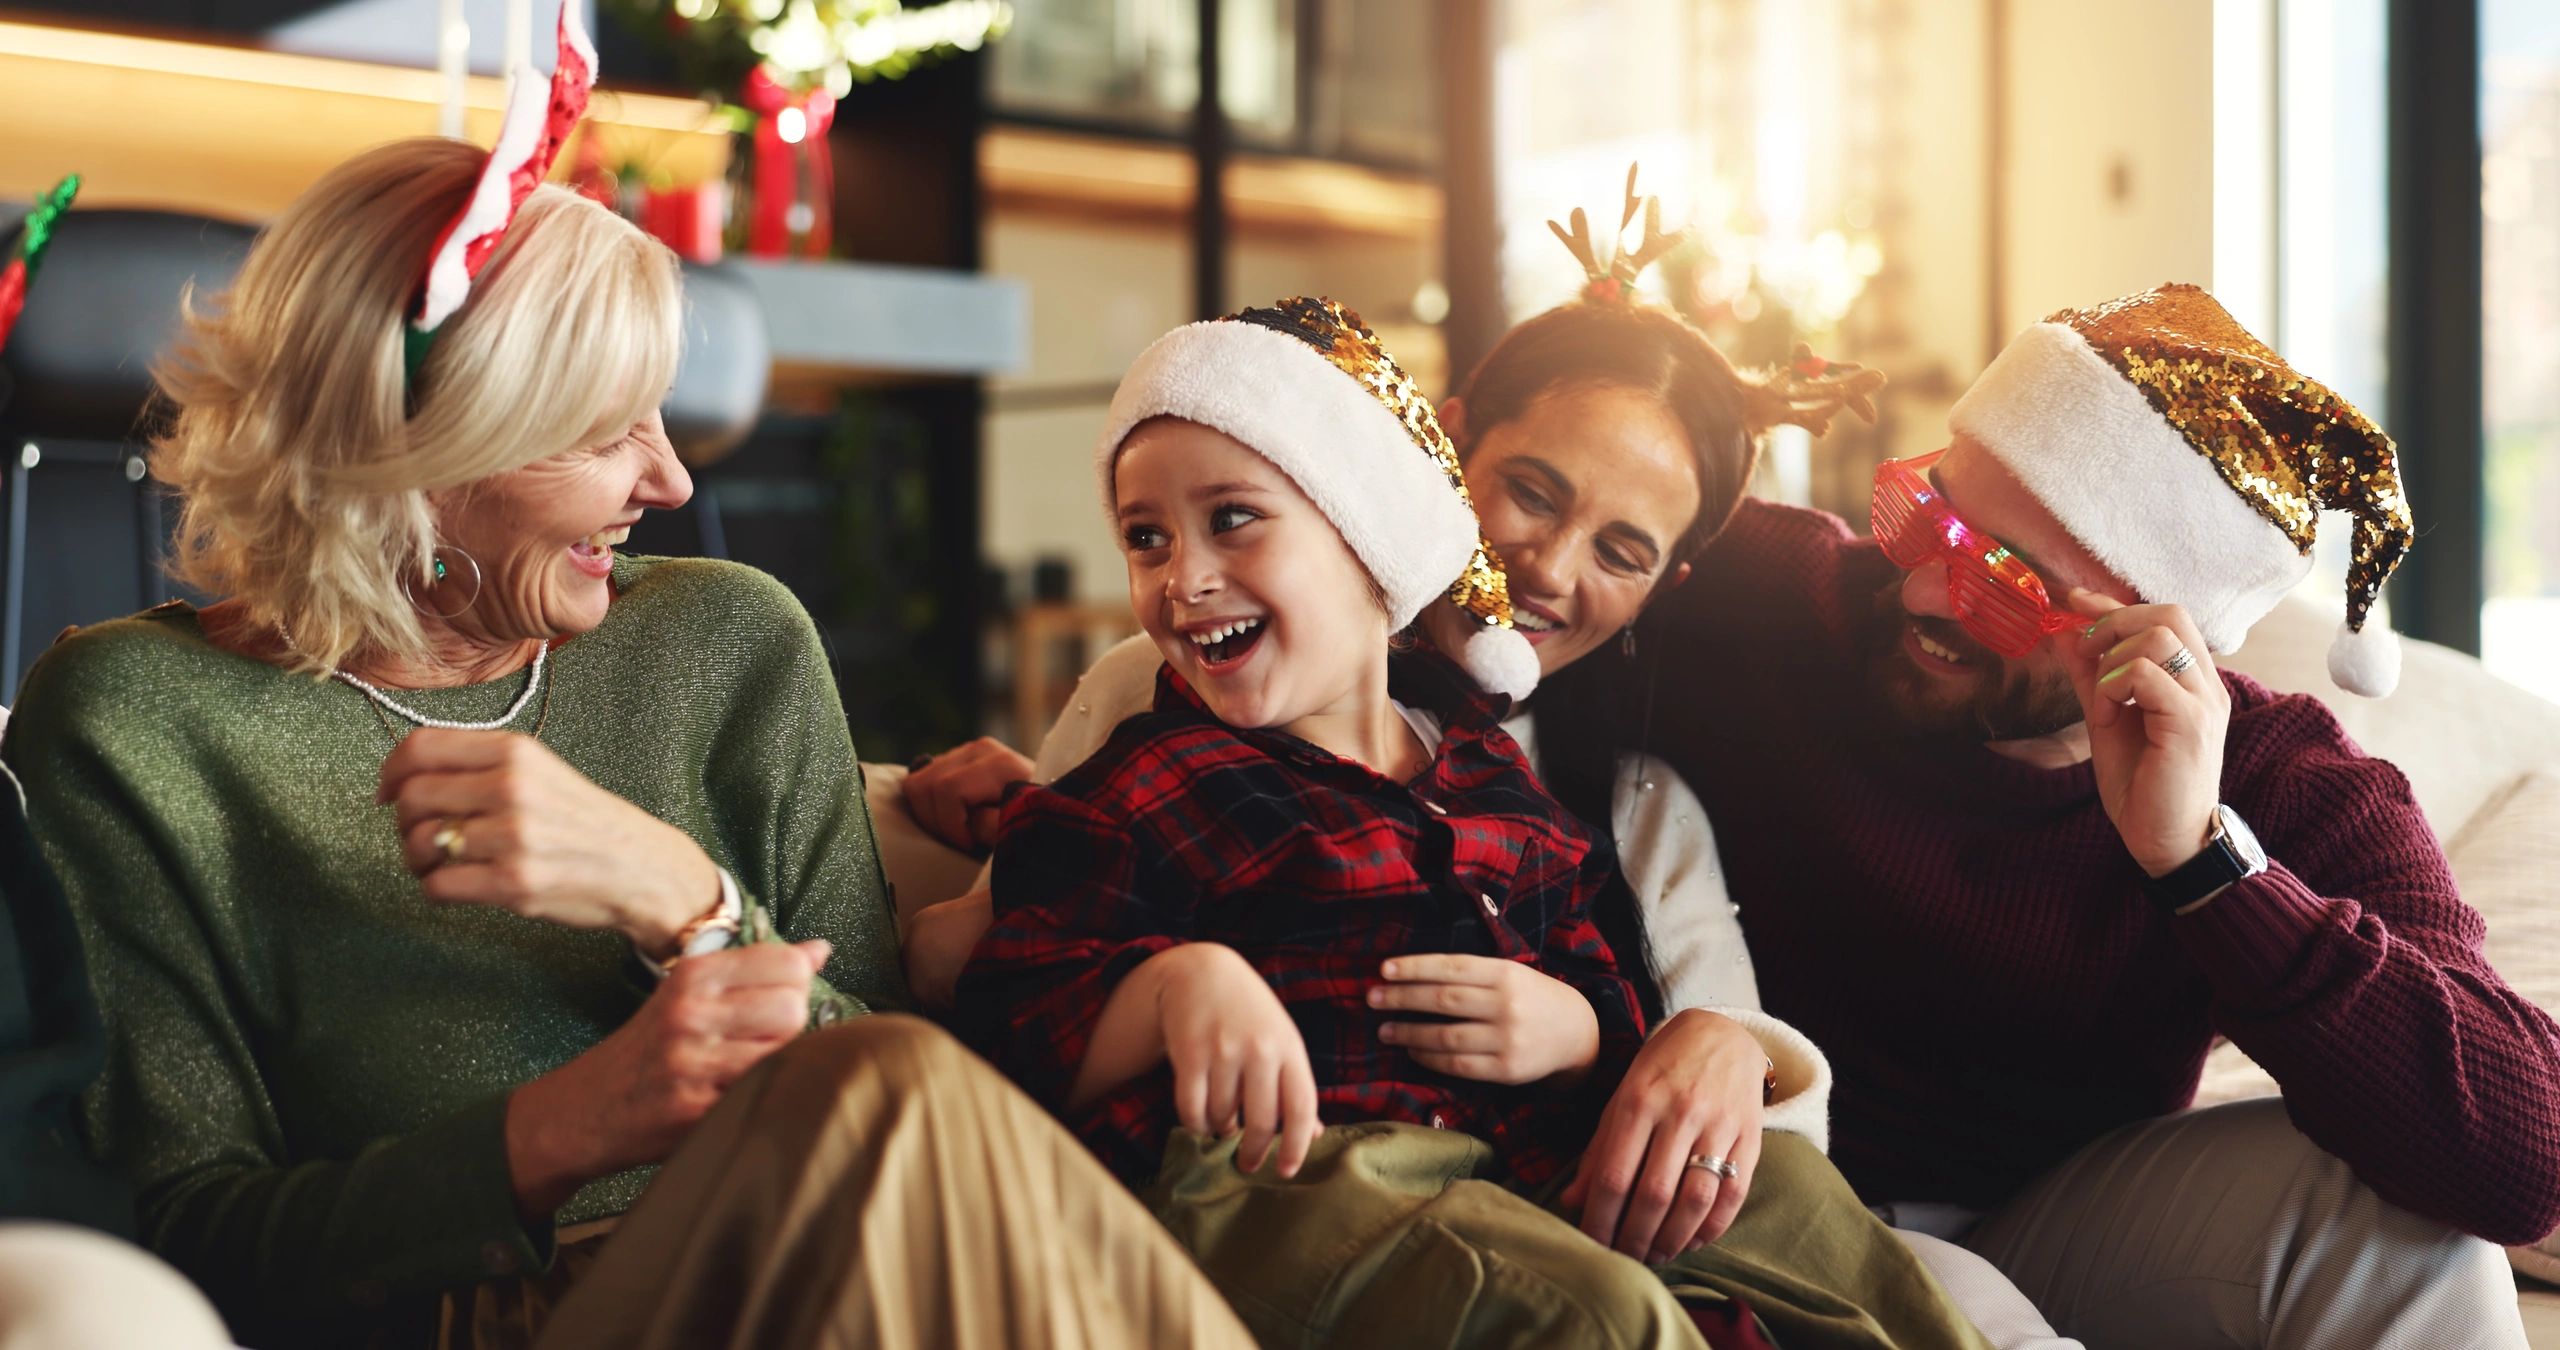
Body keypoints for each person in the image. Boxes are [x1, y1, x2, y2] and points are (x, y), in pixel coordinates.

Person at [0, 107, 1251, 1350]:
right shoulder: (134, 724)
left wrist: (686, 903)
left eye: (660, 417)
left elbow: (903, 1105)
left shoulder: (727, 639)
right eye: (608, 433)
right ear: (415, 455)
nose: (672, 481)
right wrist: (568, 1128)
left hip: (828, 1264)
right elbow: (176, 1240)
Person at [901, 193, 2079, 1348]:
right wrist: (1031, 845)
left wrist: (1648, 1039)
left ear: (1661, 589)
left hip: (1536, 1163)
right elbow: (995, 959)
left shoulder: (1574, 795)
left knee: (1872, 1258)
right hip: (1306, 1179)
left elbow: (1714, 1079)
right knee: (1598, 1312)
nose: (1548, 566)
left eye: (1620, 550)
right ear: (1438, 450)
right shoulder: (1174, 707)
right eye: (1529, 491)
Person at [1639, 282, 2560, 1347]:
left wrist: (2203, 866)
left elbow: (2527, 1161)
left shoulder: (2279, 777)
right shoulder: (1775, 596)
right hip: (1760, 1190)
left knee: (2419, 1241)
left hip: (2061, 1218)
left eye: (2004, 583)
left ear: (2153, 638)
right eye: (1928, 516)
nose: (1925, 593)